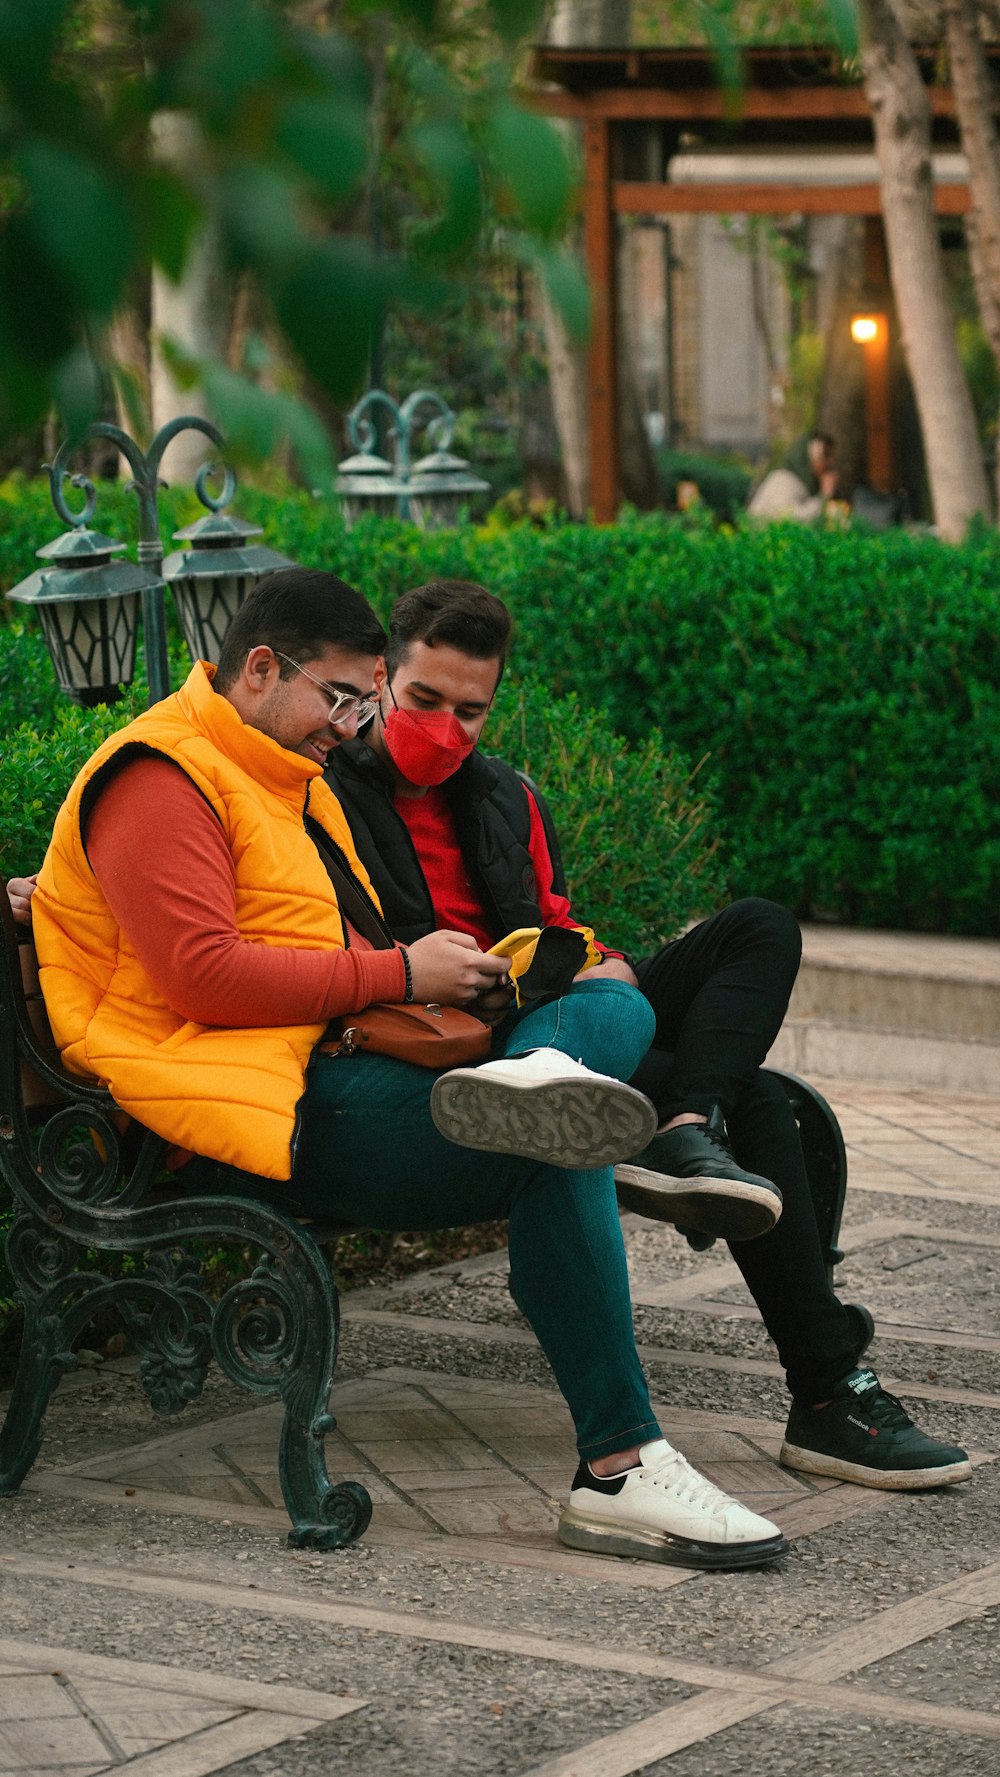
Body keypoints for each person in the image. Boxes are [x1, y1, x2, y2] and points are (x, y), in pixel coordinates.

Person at [24, 567, 789, 1571]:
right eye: (343, 697)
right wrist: (400, 968)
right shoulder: (159, 776)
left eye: (363, 701)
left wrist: (474, 979)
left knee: (607, 1007)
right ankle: (620, 1466)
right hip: (231, 1111)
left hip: (311, 1071)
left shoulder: (269, 773)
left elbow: (311, 940)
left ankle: (539, 1084)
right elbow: (201, 975)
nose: (352, 724)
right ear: (261, 668)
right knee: (555, 1145)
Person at [321, 577, 970, 1495]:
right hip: (440, 1040)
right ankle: (829, 1390)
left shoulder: (506, 796)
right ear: (383, 680)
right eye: (425, 701)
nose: (447, 730)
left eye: (472, 712)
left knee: (757, 928)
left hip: (544, 1021)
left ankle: (684, 1123)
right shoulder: (322, 791)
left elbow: (551, 918)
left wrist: (601, 961)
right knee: (764, 1099)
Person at [747, 430, 839, 523]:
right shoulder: (782, 480)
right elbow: (791, 519)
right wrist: (824, 496)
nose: (830, 462)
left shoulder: (804, 484)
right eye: (825, 456)